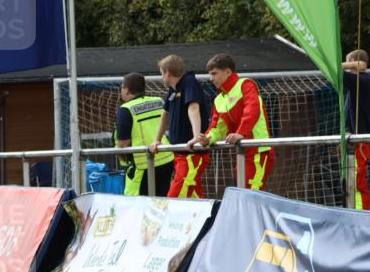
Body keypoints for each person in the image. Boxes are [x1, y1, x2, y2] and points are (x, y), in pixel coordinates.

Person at [193, 53, 274, 191]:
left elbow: (252, 109)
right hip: (242, 152)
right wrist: (207, 138)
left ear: (228, 72)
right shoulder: (219, 99)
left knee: (251, 195)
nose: (211, 79)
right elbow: (217, 128)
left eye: (214, 73)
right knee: (245, 194)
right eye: (210, 75)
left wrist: (241, 133)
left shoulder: (246, 84)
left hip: (258, 150)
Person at [151, 55, 211, 198]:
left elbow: (193, 107)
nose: (161, 77)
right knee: (195, 197)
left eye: (161, 73)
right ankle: (211, 220)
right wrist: (157, 140)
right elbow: (165, 114)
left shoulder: (189, 82)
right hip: (180, 154)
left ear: (167, 72)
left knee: (174, 198)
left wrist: (196, 135)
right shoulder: (173, 89)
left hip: (191, 154)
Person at [114, 73, 174, 197]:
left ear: (127, 89)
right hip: (166, 159)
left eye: (122, 88)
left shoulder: (126, 109)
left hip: (143, 163)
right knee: (161, 201)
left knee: (136, 203)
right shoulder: (158, 101)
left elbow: (123, 143)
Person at [343, 49, 370, 210]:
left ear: (354, 61)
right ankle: (355, 211)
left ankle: (362, 215)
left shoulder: (362, 80)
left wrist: (355, 64)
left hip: (360, 141)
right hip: (355, 140)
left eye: (349, 62)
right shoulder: (360, 81)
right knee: (352, 181)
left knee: (357, 182)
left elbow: (334, 71)